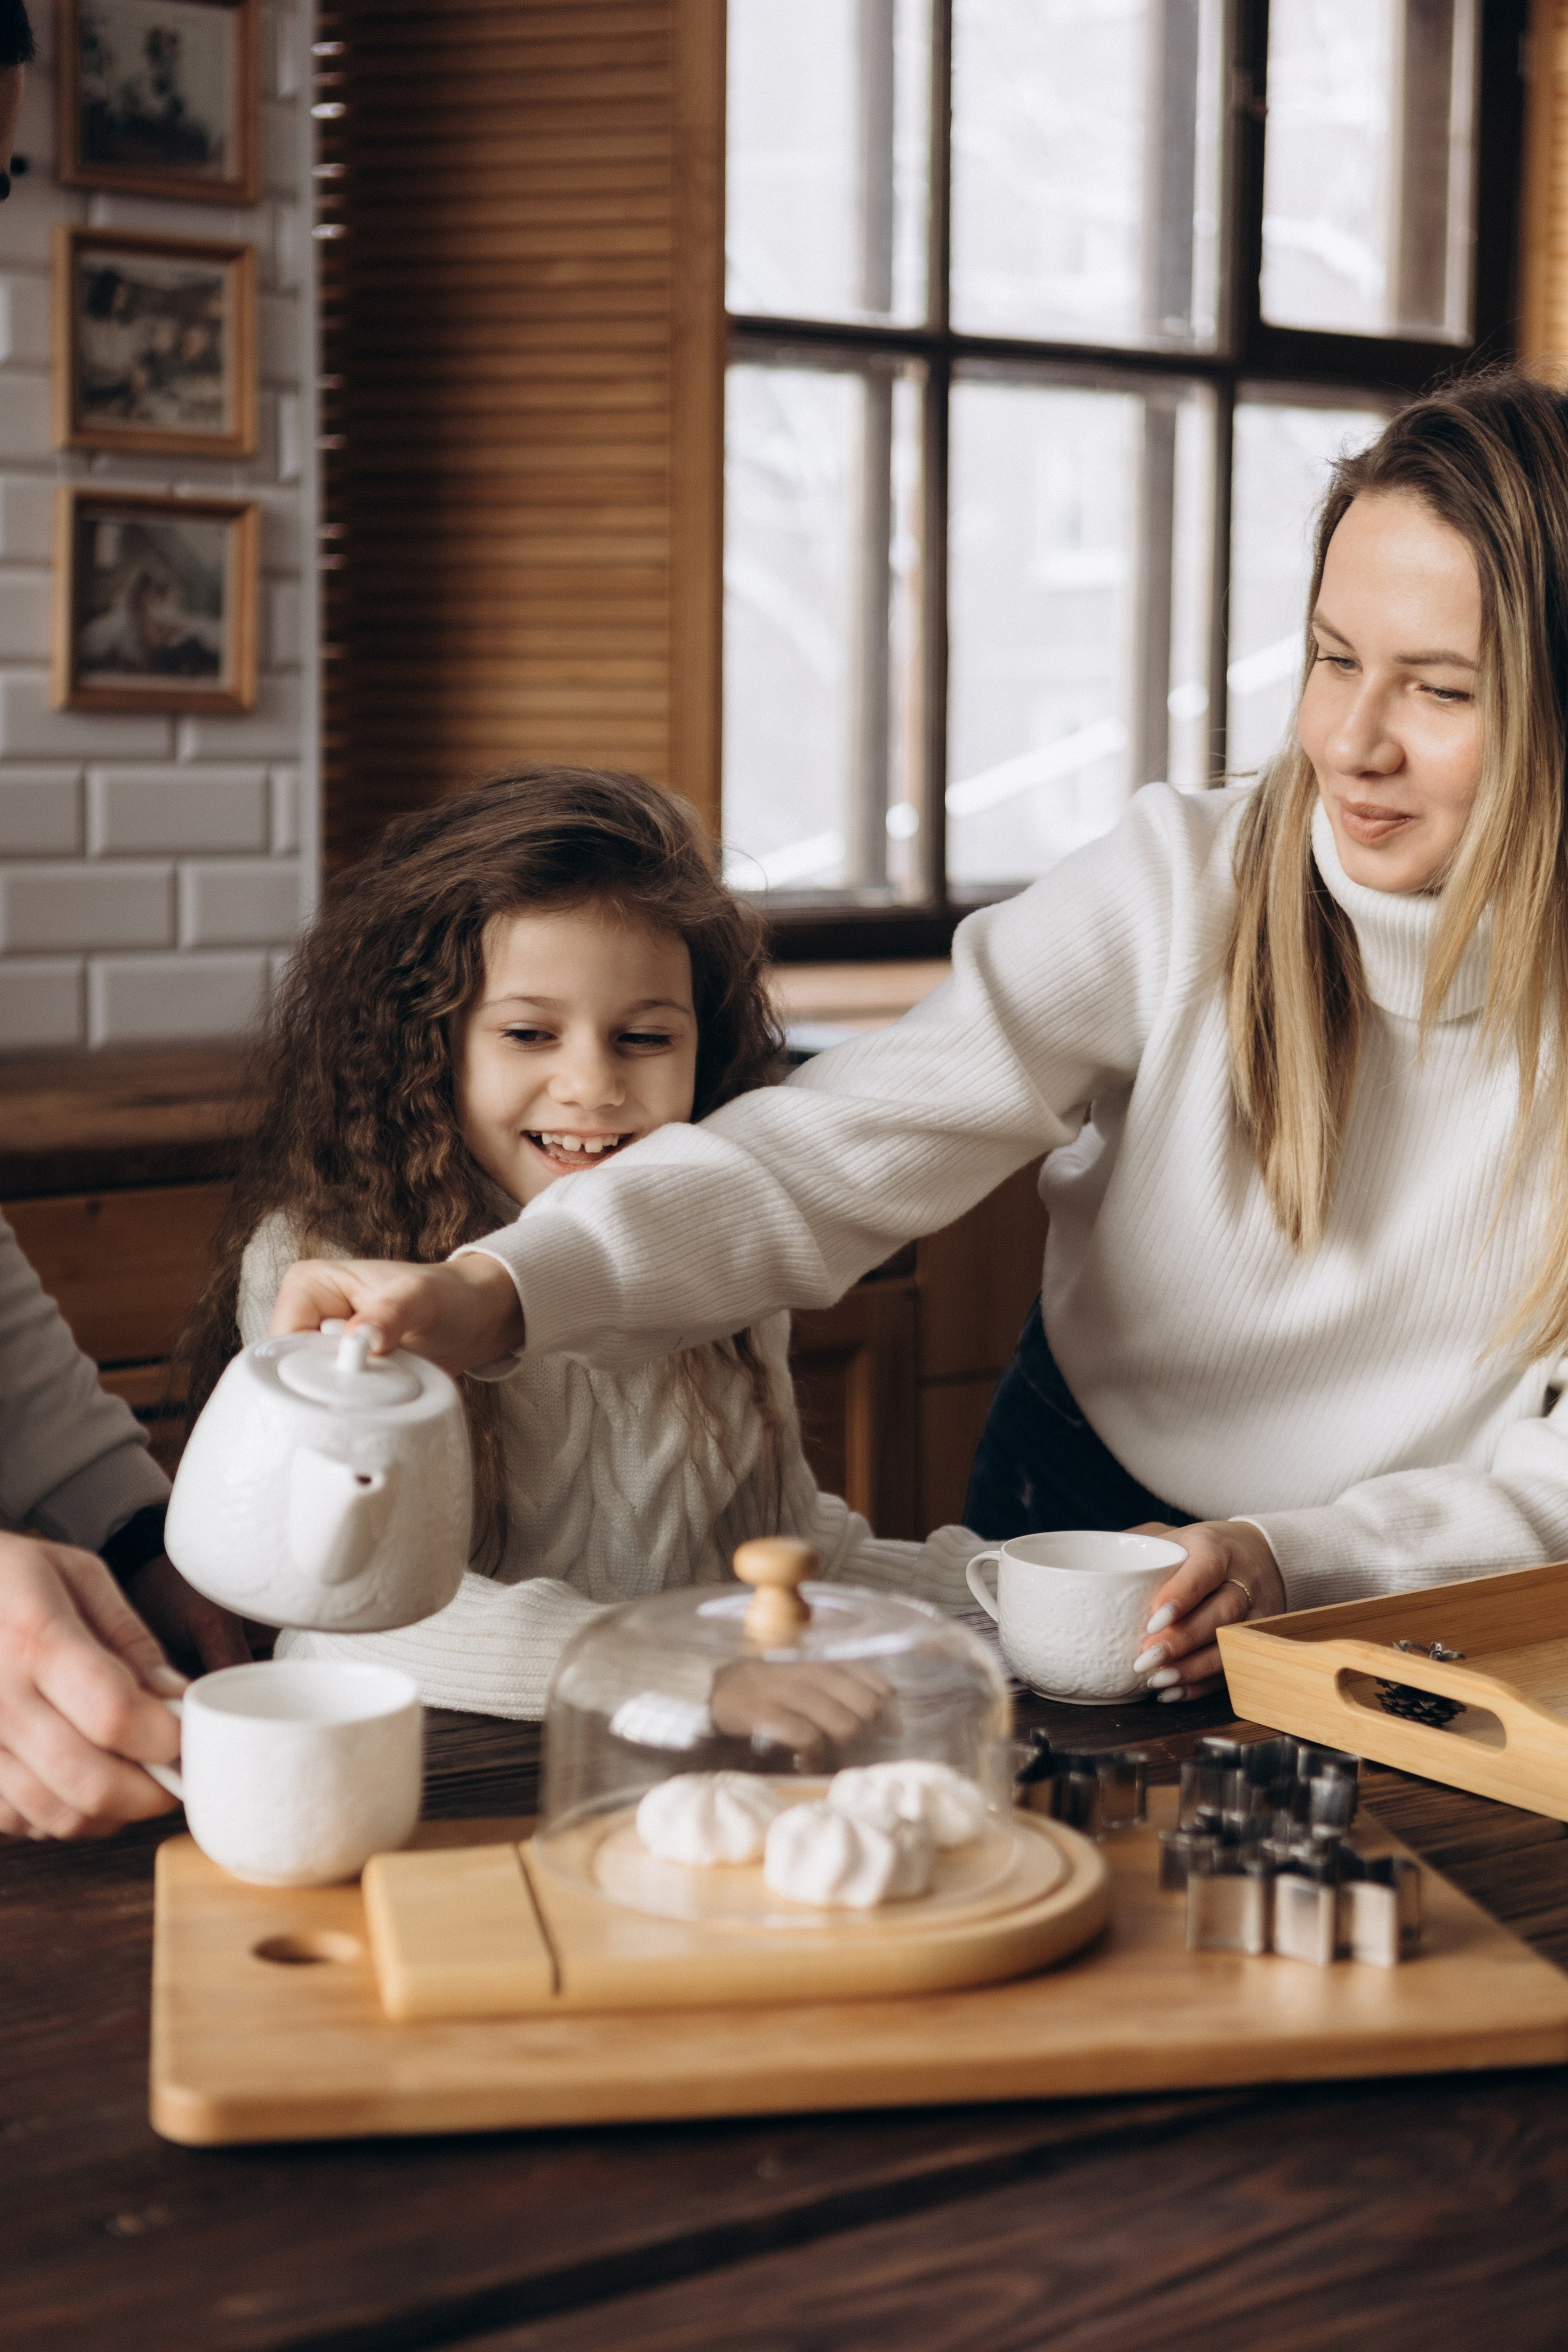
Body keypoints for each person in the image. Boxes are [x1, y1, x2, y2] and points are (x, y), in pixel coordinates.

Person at [276, 371, 1568, 1702]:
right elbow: (827, 1154)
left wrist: (1299, 1559)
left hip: (1424, 1575)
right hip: (1077, 1507)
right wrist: (506, 1291)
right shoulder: (1184, 886)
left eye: (1439, 691)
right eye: (1331, 658)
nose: (1350, 742)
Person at [180, 767, 981, 1725]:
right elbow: (361, 1613)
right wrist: (689, 1673)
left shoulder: (720, 1244)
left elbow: (786, 1550)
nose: (593, 1086)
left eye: (644, 1039)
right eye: (529, 1033)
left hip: (674, 1750)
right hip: (440, 1766)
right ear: (426, 1042)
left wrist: (1014, 1593)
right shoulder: (330, 1259)